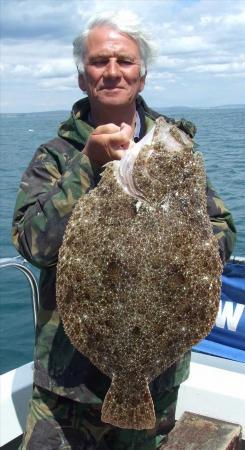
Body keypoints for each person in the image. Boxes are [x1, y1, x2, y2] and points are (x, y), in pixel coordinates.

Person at [12, 11, 236, 450]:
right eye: (99, 61)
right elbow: (31, 244)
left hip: (155, 378)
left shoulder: (176, 148)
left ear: (142, 76)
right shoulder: (55, 156)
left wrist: (185, 248)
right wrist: (88, 165)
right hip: (65, 385)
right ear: (82, 78)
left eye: (125, 61)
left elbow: (222, 229)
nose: (112, 71)